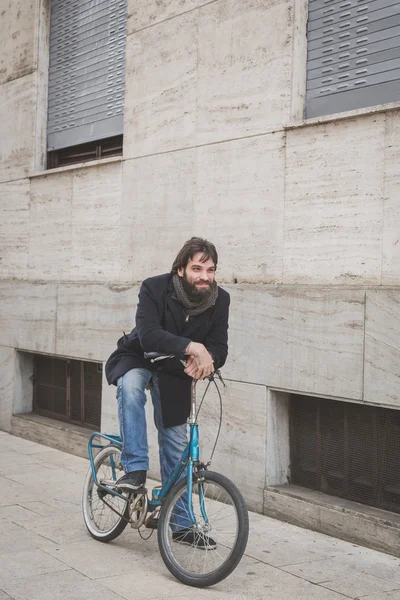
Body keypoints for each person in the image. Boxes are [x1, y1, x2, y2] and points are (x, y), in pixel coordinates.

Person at [105, 237, 230, 547]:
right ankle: (134, 470)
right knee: (131, 388)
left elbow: (219, 347)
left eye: (210, 270)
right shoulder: (154, 287)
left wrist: (207, 362)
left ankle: (182, 524)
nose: (204, 276)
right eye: (197, 268)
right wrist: (191, 347)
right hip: (139, 357)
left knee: (176, 444)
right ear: (180, 269)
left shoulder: (220, 300)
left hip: (175, 372)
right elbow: (148, 334)